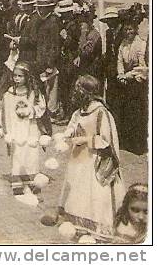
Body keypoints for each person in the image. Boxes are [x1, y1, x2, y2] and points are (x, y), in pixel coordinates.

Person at [55, 75, 125, 242]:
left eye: (78, 89)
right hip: (79, 158)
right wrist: (66, 135)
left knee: (95, 193)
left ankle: (98, 227)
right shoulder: (79, 111)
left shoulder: (101, 112)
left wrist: (85, 140)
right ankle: (79, 222)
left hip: (95, 159)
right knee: (78, 190)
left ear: (87, 92)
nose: (74, 93)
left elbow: (106, 139)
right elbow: (73, 125)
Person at [0, 62, 49, 195]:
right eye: (15, 76)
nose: (17, 79)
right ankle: (18, 181)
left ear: (27, 77)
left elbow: (42, 107)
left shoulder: (33, 93)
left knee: (31, 153)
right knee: (18, 153)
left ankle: (32, 181)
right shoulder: (9, 94)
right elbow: (4, 111)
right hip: (16, 129)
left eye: (20, 76)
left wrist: (30, 112)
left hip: (30, 128)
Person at [115, 20, 148, 155]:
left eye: (130, 29)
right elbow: (119, 61)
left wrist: (128, 76)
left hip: (138, 81)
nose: (128, 32)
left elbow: (142, 67)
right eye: (126, 29)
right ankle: (127, 142)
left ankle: (138, 145)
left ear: (135, 29)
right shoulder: (123, 44)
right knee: (126, 112)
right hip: (126, 81)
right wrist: (121, 74)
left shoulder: (141, 44)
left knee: (137, 113)